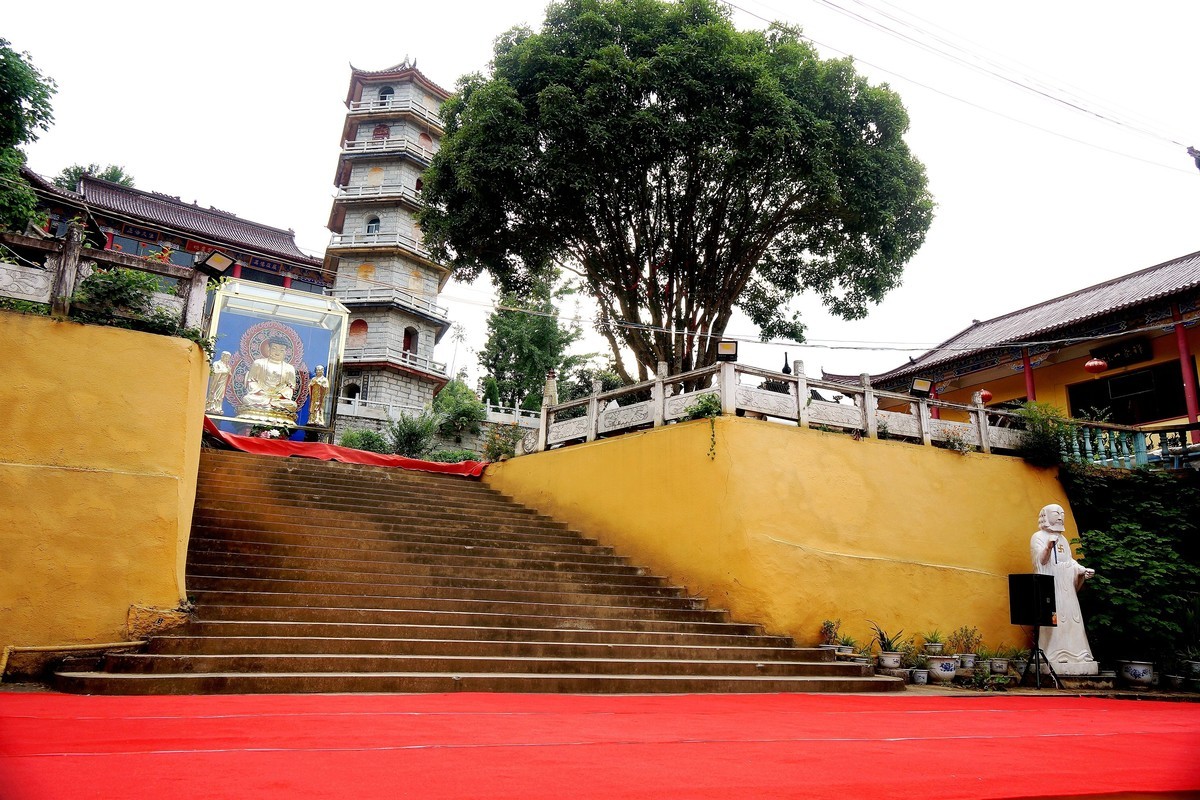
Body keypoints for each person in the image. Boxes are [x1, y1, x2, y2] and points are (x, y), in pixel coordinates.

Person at [1029, 503, 1098, 675]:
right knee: (1054, 619)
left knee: (1073, 619)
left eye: (1062, 513)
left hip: (1067, 587)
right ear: (1046, 515)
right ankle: (1053, 653)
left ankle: (1078, 654)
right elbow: (1040, 562)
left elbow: (1069, 561)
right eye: (1056, 513)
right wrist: (1048, 547)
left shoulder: (1064, 540)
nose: (1060, 516)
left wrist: (1081, 570)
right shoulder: (1038, 537)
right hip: (1052, 587)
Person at [240, 338, 298, 420]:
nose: (277, 352)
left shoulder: (289, 368)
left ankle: (271, 405)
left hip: (278, 399)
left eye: (281, 350)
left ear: (285, 352)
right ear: (269, 349)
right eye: (274, 348)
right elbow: (251, 382)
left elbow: (290, 387)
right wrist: (261, 392)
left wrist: (280, 395)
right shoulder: (259, 363)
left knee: (292, 405)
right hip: (261, 396)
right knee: (247, 399)